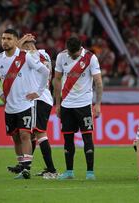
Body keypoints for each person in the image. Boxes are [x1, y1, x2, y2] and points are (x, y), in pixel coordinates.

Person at [0, 29, 50, 179]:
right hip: (9, 106)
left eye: (9, 39)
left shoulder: (26, 57)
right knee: (15, 137)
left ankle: (26, 169)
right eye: (3, 38)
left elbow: (44, 71)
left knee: (25, 135)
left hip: (25, 104)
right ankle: (21, 164)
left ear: (15, 40)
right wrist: (0, 94)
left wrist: (38, 91)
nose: (5, 41)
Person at [7, 34, 58, 179]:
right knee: (32, 133)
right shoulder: (44, 54)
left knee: (40, 133)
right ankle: (24, 166)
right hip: (45, 97)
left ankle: (51, 169)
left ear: (27, 46)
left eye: (23, 45)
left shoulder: (31, 55)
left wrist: (21, 42)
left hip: (38, 97)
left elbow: (14, 53)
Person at [53, 36, 103, 180]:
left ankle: (90, 172)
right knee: (68, 139)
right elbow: (56, 79)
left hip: (84, 104)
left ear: (80, 48)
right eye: (70, 53)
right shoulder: (62, 56)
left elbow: (98, 82)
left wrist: (98, 104)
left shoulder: (90, 58)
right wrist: (57, 104)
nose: (71, 56)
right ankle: (69, 172)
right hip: (66, 105)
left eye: (74, 54)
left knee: (87, 137)